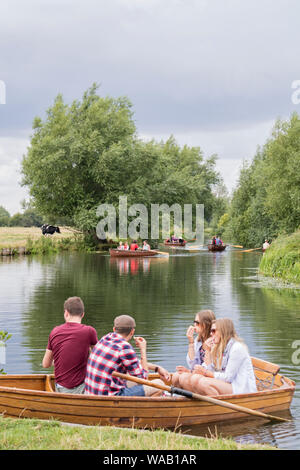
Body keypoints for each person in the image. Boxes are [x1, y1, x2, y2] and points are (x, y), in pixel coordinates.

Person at [85, 315, 170, 397]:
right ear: (132, 332)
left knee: (131, 377)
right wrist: (143, 349)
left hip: (92, 393)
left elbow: (134, 365)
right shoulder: (124, 347)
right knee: (159, 384)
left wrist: (157, 368)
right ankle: (143, 410)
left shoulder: (105, 339)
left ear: (114, 329)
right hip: (109, 397)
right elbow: (143, 380)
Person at [180, 318, 257, 396]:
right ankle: (204, 405)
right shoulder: (220, 347)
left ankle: (217, 406)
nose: (210, 334)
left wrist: (205, 372)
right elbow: (213, 371)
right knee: (192, 378)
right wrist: (207, 351)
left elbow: (227, 378)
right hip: (228, 385)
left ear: (223, 331)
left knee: (203, 382)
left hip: (241, 389)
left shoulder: (237, 348)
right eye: (210, 331)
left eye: (213, 331)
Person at [42, 297, 98, 394]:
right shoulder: (89, 331)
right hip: (82, 388)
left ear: (66, 313)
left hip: (60, 388)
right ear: (83, 314)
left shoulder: (55, 331)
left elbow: (46, 364)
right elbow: (98, 359)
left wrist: (63, 361)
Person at [171, 310, 216, 388]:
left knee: (183, 377)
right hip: (197, 374)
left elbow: (209, 369)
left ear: (205, 325)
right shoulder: (198, 341)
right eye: (194, 322)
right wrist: (191, 342)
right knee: (175, 376)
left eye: (197, 323)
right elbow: (192, 364)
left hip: (210, 376)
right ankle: (180, 397)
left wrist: (189, 371)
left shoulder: (214, 342)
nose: (194, 325)